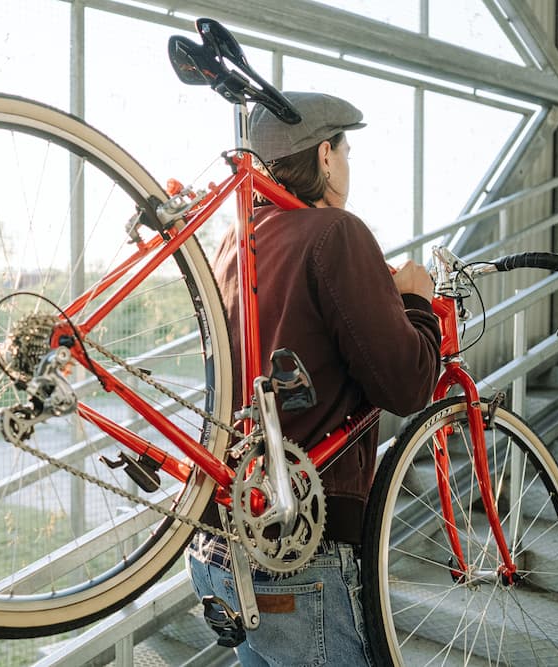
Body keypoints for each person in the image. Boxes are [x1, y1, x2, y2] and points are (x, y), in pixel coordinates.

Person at [185, 91, 442, 666]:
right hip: (303, 553)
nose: (348, 164)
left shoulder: (235, 241)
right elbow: (407, 385)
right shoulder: (335, 233)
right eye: (346, 151)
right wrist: (418, 304)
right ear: (325, 155)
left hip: (221, 544)